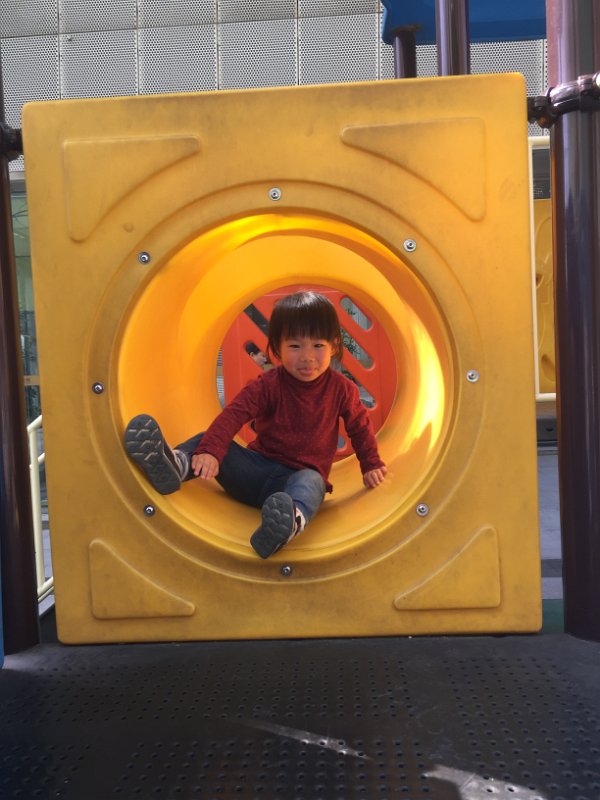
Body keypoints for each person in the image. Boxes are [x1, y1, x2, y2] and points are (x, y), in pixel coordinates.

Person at [124, 291, 387, 559]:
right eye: (295, 346)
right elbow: (234, 414)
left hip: (295, 482)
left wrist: (371, 464)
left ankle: (287, 523)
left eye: (318, 346)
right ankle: (175, 465)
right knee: (210, 440)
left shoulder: (342, 390)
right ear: (277, 348)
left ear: (334, 346)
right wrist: (211, 451)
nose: (307, 357)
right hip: (254, 472)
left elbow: (359, 427)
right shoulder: (268, 385)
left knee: (313, 482)